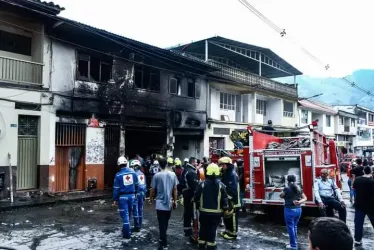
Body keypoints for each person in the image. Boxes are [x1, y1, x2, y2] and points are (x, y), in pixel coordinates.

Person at [194, 163, 229, 250]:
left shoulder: (202, 184)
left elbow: (196, 197)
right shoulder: (221, 185)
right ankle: (211, 245)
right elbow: (225, 199)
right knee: (212, 230)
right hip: (216, 214)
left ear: (207, 172)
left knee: (203, 228)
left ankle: (201, 244)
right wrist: (225, 209)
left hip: (204, 213)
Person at [150, 157, 179, 250]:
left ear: (159, 165)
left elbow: (152, 190)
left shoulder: (156, 176)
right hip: (169, 202)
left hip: (159, 203)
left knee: (161, 222)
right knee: (166, 221)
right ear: (166, 164)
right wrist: (175, 201)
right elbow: (175, 190)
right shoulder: (172, 174)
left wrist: (150, 199)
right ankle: (163, 237)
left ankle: (163, 240)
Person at [113, 156, 139, 239]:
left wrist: (115, 199)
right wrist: (135, 193)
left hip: (122, 197)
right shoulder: (133, 173)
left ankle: (126, 234)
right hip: (132, 196)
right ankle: (126, 229)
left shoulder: (118, 175)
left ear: (118, 165)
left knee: (125, 216)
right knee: (129, 213)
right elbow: (137, 185)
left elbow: (116, 189)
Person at [280, 175, 307, 249]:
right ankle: (294, 242)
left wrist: (282, 191)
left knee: (290, 228)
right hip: (298, 210)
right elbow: (305, 198)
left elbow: (281, 196)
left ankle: (293, 245)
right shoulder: (298, 188)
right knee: (294, 227)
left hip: (289, 210)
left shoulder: (286, 188)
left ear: (287, 180)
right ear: (295, 180)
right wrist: (299, 202)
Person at [218, 156, 241, 240]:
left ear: (227, 165)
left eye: (223, 165)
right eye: (221, 165)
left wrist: (228, 198)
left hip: (233, 201)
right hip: (228, 199)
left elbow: (232, 190)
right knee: (227, 216)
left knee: (233, 217)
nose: (222, 167)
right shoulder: (226, 173)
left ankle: (233, 234)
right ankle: (227, 231)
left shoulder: (232, 174)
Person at [352, 166, 374, 246]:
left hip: (359, 205)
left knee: (358, 223)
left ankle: (358, 240)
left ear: (363, 171)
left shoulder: (358, 180)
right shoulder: (372, 181)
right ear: (371, 172)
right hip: (371, 205)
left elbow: (353, 188)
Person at [180, 157, 199, 239]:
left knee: (187, 211)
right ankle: (191, 230)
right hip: (190, 195)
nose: (197, 164)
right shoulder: (191, 172)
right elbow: (194, 187)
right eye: (196, 162)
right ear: (192, 162)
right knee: (191, 212)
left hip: (185, 193)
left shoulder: (185, 169)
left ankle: (187, 229)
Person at [131, 159, 147, 231]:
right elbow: (145, 185)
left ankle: (136, 226)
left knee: (136, 210)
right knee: (141, 209)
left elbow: (134, 185)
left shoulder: (134, 174)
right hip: (142, 193)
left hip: (136, 193)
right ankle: (140, 225)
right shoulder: (142, 174)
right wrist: (144, 195)